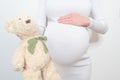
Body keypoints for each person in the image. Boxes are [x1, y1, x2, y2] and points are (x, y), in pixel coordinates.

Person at [37, 0, 108, 80]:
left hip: (80, 66)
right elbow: (40, 27)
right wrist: (27, 36)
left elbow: (103, 27)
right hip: (51, 65)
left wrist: (87, 20)